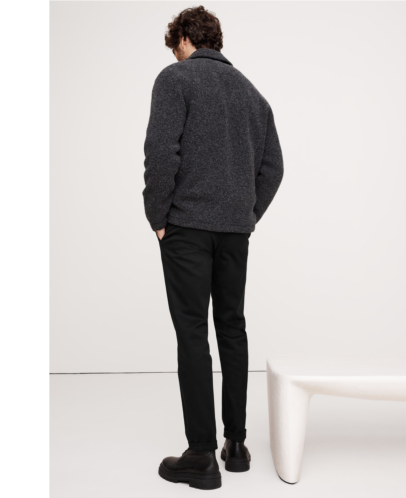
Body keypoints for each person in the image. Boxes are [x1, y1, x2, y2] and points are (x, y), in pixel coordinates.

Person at [143, 5, 283, 491]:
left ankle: (201, 454)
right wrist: (246, 215)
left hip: (186, 225)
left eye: (175, 46)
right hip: (233, 231)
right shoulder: (252, 94)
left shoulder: (175, 79)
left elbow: (161, 153)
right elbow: (273, 167)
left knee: (192, 333)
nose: (174, 55)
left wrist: (157, 218)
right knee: (232, 328)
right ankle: (236, 445)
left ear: (184, 38)